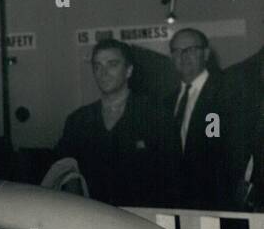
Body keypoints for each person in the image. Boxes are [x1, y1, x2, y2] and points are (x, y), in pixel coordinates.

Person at [52, 39, 164, 207]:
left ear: (129, 71)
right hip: (93, 220)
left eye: (112, 64)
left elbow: (170, 177)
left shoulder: (155, 115)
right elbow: (63, 167)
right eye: (97, 66)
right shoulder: (79, 120)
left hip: (142, 220)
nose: (103, 73)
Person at [163, 28, 239, 211]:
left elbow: (218, 146)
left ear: (205, 54)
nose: (184, 56)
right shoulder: (166, 103)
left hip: (216, 202)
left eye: (191, 49)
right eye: (177, 51)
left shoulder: (225, 92)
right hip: (178, 203)